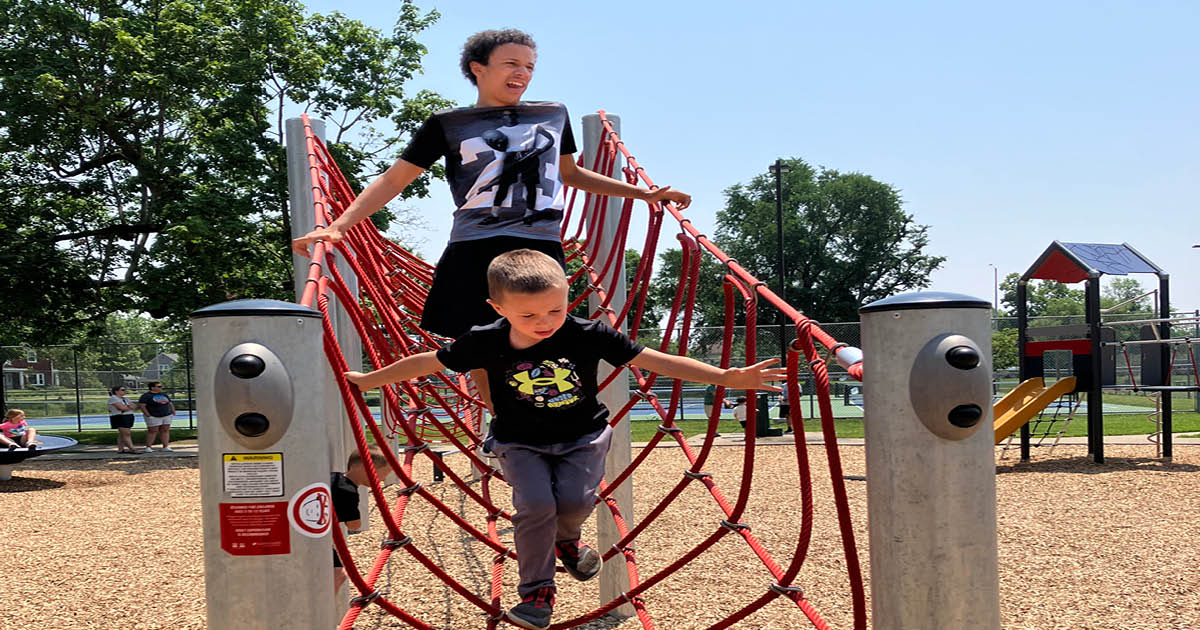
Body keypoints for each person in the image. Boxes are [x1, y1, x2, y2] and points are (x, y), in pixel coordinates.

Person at [343, 249, 785, 630]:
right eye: (529, 315)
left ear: (566, 299)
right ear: (498, 308)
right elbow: (427, 362)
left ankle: (568, 540)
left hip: (583, 438)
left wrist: (726, 376)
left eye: (554, 310)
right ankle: (537, 593)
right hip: (519, 441)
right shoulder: (483, 341)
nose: (545, 322)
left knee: (573, 503)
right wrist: (371, 379)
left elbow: (653, 360)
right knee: (535, 506)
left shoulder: (586, 333)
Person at [291, 29, 692, 413]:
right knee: (479, 341)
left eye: (530, 66)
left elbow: (571, 174)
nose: (522, 73)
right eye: (511, 63)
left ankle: (551, 420)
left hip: (539, 239)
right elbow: (394, 179)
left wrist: (644, 193)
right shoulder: (448, 124)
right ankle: (503, 420)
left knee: (544, 331)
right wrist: (340, 225)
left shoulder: (552, 114)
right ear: (477, 68)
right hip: (475, 242)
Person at [331, 446, 395, 594]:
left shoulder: (334, 477)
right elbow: (354, 524)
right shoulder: (348, 491)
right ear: (367, 467)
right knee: (338, 575)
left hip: (309, 531)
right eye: (384, 473)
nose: (383, 479)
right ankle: (321, 610)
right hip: (312, 537)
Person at [137, 381, 175, 452]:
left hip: (166, 415)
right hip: (154, 415)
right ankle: (148, 447)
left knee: (165, 430)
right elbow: (142, 405)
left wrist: (173, 411)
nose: (161, 388)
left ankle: (165, 446)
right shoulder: (146, 396)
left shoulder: (164, 395)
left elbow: (170, 403)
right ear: (152, 387)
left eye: (161, 386)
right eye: (159, 386)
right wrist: (147, 414)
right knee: (153, 431)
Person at [108, 386, 139, 454]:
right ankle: (132, 448)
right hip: (120, 417)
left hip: (128, 416)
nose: (124, 391)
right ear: (116, 391)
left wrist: (127, 407)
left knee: (122, 434)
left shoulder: (125, 399)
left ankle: (120, 449)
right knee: (126, 433)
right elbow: (121, 408)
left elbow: (134, 406)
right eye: (122, 390)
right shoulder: (113, 398)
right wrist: (128, 407)